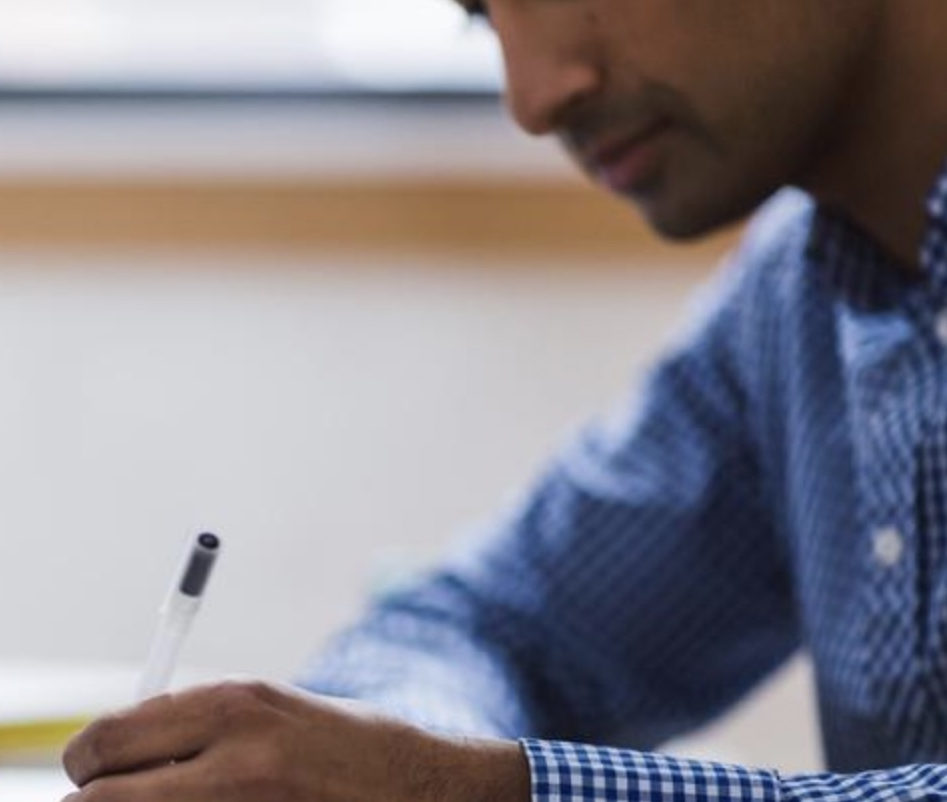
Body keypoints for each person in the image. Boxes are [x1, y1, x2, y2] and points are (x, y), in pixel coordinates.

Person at [62, 2, 947, 802]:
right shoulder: (798, 301)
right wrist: (394, 765)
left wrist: (470, 789)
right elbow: (490, 629)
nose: (532, 100)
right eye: (484, 17)